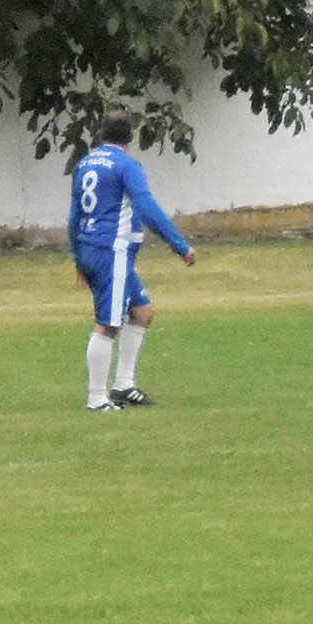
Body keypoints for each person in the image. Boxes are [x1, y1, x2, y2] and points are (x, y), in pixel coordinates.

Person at [68, 111, 197, 411]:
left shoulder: (85, 163)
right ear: (130, 137)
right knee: (108, 324)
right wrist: (179, 245)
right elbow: (146, 206)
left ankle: (123, 385)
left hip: (94, 248)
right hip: (111, 250)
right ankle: (96, 399)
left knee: (142, 312)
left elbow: (75, 213)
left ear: (102, 134)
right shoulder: (127, 165)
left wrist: (78, 256)